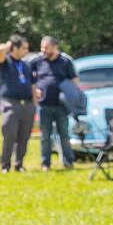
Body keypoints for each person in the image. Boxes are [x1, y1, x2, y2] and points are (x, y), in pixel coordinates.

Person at [31, 35, 77, 170]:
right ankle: (46, 163)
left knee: (64, 135)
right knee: (45, 136)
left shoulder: (65, 61)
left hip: (61, 106)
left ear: (55, 47)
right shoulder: (37, 61)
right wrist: (34, 90)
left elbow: (74, 80)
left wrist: (71, 97)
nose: (43, 50)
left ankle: (68, 161)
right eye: (42, 47)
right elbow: (29, 78)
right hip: (44, 106)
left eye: (46, 47)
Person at [0, 34, 35, 174]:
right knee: (10, 134)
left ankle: (19, 164)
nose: (26, 51)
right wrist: (9, 44)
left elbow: (32, 85)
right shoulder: (5, 62)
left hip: (27, 104)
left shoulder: (26, 65)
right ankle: (5, 165)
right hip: (10, 104)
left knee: (24, 136)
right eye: (23, 48)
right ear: (14, 48)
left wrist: (35, 104)